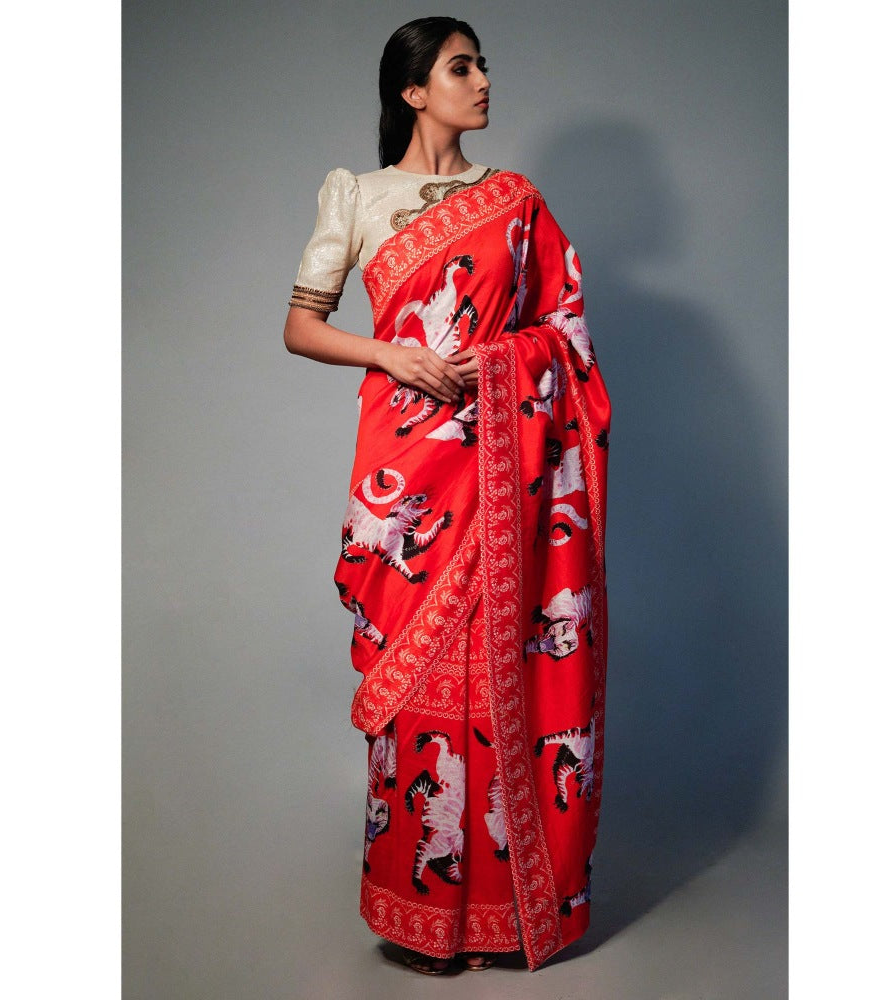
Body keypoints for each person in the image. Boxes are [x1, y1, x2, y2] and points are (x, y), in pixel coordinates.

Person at [283, 16, 611, 975]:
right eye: (462, 68)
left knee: (502, 665)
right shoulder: (357, 196)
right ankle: (419, 914)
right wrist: (394, 355)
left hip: (506, 462)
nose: (484, 81)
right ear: (413, 90)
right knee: (419, 682)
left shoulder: (516, 201)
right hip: (406, 470)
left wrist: (503, 363)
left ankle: (504, 917)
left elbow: (565, 329)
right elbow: (302, 325)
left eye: (483, 65)